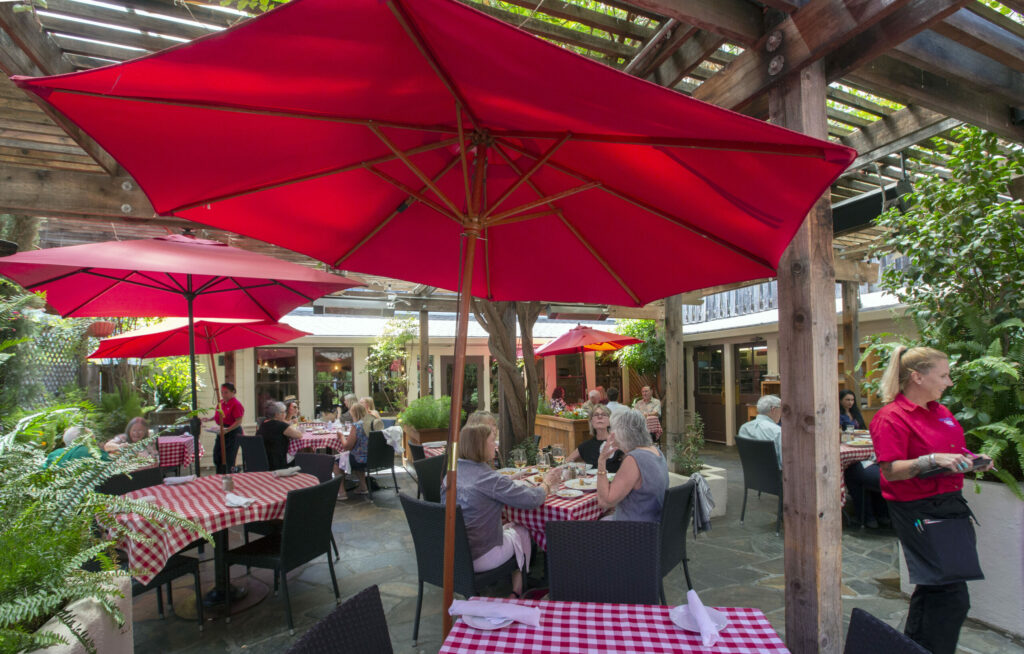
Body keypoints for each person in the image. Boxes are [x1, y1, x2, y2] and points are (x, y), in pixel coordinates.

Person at [871, 345, 990, 654]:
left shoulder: (942, 412)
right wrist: (931, 460)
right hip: (918, 510)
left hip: (950, 506)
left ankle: (912, 648)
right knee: (952, 595)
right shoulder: (891, 417)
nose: (949, 382)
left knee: (934, 588)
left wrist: (972, 459)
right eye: (944, 375)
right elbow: (891, 471)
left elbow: (954, 451)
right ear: (917, 377)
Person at [440, 423, 561, 597]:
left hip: (453, 555)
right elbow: (533, 499)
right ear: (479, 445)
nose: (495, 445)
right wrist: (547, 483)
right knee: (522, 527)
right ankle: (518, 589)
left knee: (509, 526)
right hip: (481, 557)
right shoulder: (488, 478)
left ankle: (515, 583)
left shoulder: (451, 474)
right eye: (492, 441)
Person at [596, 408, 668, 521]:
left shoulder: (634, 459)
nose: (609, 433)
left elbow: (605, 502)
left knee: (589, 527)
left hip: (634, 530)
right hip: (654, 522)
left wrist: (601, 461)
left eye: (611, 429)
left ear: (620, 433)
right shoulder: (656, 452)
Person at [202, 382, 245, 474]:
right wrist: (209, 419)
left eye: (226, 392)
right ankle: (219, 475)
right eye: (222, 392)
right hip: (222, 431)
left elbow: (238, 421)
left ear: (233, 392)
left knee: (229, 457)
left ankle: (229, 475)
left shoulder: (236, 404)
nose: (223, 395)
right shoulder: (221, 403)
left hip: (232, 432)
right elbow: (220, 415)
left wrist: (227, 430)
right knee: (217, 456)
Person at [567, 405, 624, 472]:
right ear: (591, 421)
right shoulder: (586, 446)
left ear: (610, 420)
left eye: (604, 414)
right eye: (596, 415)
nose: (600, 417)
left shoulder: (618, 443)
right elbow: (567, 462)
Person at [335, 402, 371, 499]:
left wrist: (341, 436)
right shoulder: (371, 424)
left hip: (360, 460)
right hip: (372, 458)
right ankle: (363, 487)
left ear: (354, 413)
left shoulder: (357, 426)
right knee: (352, 455)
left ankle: (341, 493)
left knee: (336, 462)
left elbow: (347, 446)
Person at [737, 394, 783, 469]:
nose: (782, 413)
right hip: (776, 477)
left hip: (752, 475)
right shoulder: (778, 432)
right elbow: (785, 463)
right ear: (773, 409)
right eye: (781, 409)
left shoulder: (744, 428)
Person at [255, 401, 303, 470]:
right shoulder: (280, 425)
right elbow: (299, 435)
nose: (285, 414)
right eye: (283, 412)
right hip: (278, 461)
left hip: (264, 460)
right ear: (277, 414)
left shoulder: (263, 425)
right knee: (302, 452)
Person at [45, 427, 110, 468]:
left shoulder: (54, 453)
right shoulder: (91, 452)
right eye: (93, 439)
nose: (95, 443)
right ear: (87, 440)